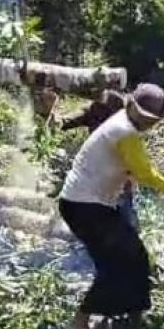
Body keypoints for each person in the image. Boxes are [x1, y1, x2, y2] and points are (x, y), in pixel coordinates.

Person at [58, 83, 164, 329]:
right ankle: (80, 324)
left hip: (90, 204)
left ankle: (131, 316)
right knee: (116, 265)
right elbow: (145, 173)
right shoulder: (124, 131)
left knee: (134, 257)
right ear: (131, 105)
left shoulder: (124, 123)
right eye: (145, 117)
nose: (147, 123)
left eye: (153, 120)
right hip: (84, 206)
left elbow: (134, 170)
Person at [57, 86, 140, 231]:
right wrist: (51, 114)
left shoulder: (125, 114)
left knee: (124, 213)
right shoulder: (93, 110)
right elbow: (65, 122)